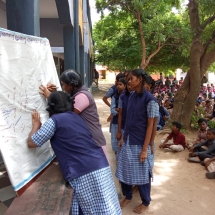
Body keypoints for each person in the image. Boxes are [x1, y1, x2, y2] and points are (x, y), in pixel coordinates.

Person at [27, 91, 121, 215]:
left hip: (83, 171)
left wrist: (36, 125)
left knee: (93, 209)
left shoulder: (54, 121)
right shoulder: (76, 117)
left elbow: (32, 142)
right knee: (107, 207)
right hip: (100, 164)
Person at [116, 69, 159, 214]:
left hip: (140, 143)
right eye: (128, 79)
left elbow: (151, 125)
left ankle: (145, 201)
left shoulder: (150, 100)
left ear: (140, 79)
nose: (128, 81)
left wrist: (145, 149)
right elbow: (128, 119)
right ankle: (127, 196)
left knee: (142, 174)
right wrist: (122, 137)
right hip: (128, 139)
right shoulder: (132, 96)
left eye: (131, 78)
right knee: (123, 171)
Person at [39, 70, 107, 155]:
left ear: (71, 86)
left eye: (63, 85)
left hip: (93, 141)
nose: (63, 88)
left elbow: (66, 115)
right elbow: (66, 101)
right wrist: (56, 93)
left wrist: (51, 97)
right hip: (88, 139)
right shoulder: (78, 94)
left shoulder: (82, 96)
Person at [110, 78, 126, 154]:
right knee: (116, 143)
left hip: (124, 123)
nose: (118, 86)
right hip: (116, 122)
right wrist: (119, 112)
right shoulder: (114, 97)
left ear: (125, 86)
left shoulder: (128, 97)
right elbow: (112, 111)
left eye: (121, 84)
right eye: (117, 84)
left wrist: (119, 110)